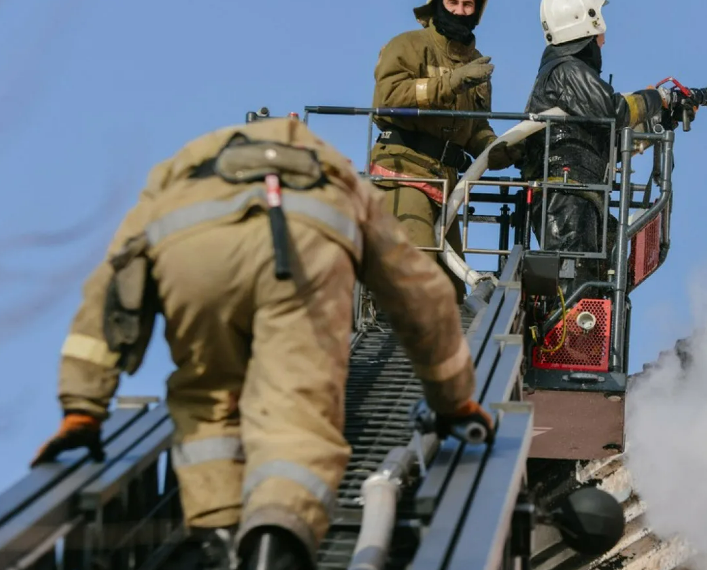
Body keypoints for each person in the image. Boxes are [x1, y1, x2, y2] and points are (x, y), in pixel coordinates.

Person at [28, 117, 493, 570]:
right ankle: (275, 544)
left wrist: (83, 406)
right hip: (300, 249)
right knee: (296, 412)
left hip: (191, 250)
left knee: (207, 400)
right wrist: (452, 399)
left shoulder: (180, 174)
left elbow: (112, 286)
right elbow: (421, 297)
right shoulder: (333, 175)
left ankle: (219, 535)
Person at [369, 0, 523, 304]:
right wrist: (450, 83)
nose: (460, 11)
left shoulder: (475, 61)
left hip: (445, 185)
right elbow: (386, 99)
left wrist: (500, 148)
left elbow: (475, 127)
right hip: (403, 174)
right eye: (453, 2)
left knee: (452, 292)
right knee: (419, 274)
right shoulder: (408, 46)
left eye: (468, 5)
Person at [521, 0, 674, 294]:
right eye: (600, 30)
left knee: (612, 264)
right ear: (585, 23)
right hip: (566, 201)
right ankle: (571, 334)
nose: (603, 41)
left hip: (578, 198)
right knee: (576, 283)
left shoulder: (568, 74)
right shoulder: (568, 71)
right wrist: (658, 98)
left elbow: (606, 129)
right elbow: (613, 111)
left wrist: (658, 119)